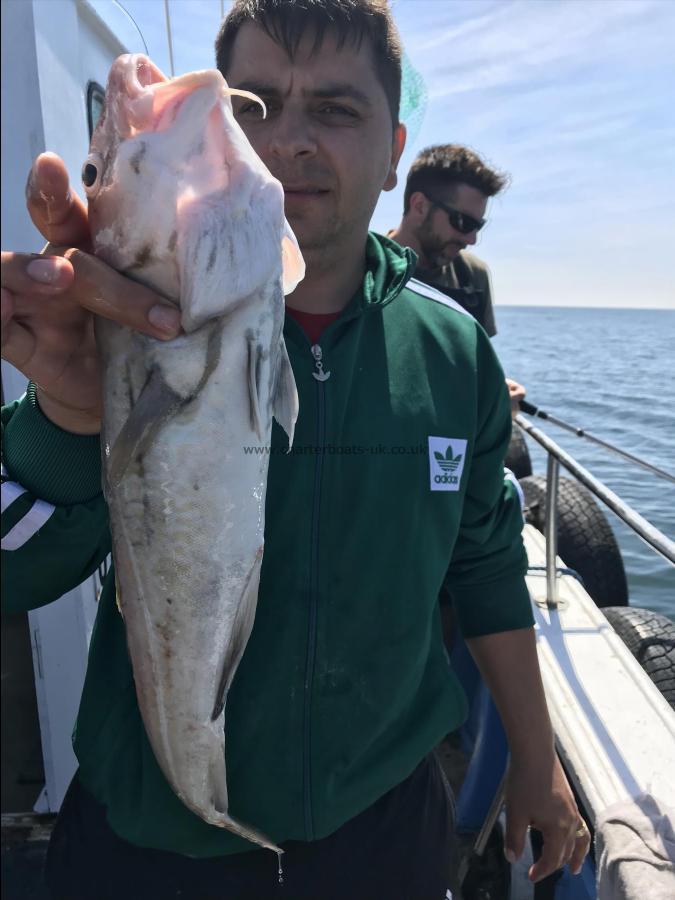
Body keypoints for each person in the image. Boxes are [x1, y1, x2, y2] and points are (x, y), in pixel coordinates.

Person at [1, 1, 588, 898]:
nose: (292, 140)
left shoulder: (453, 351)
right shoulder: (129, 320)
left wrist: (535, 760)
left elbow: (484, 560)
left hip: (381, 830)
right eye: (257, 106)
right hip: (148, 838)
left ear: (396, 153)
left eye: (337, 110)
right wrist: (74, 415)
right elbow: (18, 578)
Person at [389, 143, 526, 413]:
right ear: (419, 206)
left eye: (478, 226)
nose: (471, 239)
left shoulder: (474, 277)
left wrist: (495, 394)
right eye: (463, 223)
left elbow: (476, 369)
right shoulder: (363, 269)